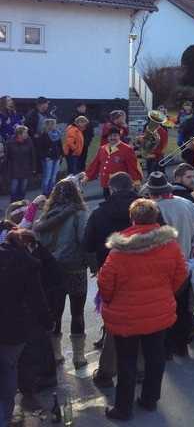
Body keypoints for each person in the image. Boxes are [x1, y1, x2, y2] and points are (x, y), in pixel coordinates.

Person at [98, 199, 187, 421]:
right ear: (155, 218)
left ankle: (123, 408)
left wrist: (109, 301)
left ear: (133, 219)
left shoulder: (120, 250)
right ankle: (150, 399)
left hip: (125, 314)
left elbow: (105, 281)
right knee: (155, 356)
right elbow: (181, 274)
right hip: (158, 311)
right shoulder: (170, 244)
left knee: (126, 361)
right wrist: (166, 293)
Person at [82, 172, 149, 389]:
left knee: (115, 324)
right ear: (132, 187)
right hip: (143, 271)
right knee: (140, 319)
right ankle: (140, 368)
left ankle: (107, 372)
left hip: (111, 272)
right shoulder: (146, 210)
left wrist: (97, 266)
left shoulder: (99, 213)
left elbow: (87, 245)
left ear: (111, 189)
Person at [145, 172, 194, 358]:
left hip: (161, 267)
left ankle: (167, 348)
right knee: (182, 307)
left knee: (164, 309)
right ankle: (182, 345)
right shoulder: (185, 203)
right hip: (185, 263)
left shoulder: (150, 209)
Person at [32, 178, 90, 369]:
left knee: (55, 312)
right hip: (75, 268)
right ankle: (79, 356)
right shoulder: (79, 214)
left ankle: (56, 353)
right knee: (77, 312)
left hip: (52, 271)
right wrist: (94, 265)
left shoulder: (45, 216)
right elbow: (85, 241)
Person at [0, 228, 55, 427]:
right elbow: (37, 298)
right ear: (27, 246)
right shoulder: (29, 264)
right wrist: (49, 323)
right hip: (14, 329)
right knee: (8, 369)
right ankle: (6, 415)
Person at [84, 126, 143, 199]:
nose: (112, 138)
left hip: (120, 186)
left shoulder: (127, 149)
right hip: (106, 184)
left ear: (119, 136)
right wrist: (87, 177)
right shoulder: (102, 149)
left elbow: (133, 166)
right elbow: (95, 165)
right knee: (108, 206)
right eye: (110, 136)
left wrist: (136, 182)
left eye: (115, 135)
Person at [4, 124, 37, 203]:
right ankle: (13, 204)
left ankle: (21, 203)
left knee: (23, 187)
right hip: (14, 169)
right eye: (25, 133)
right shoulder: (9, 143)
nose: (27, 134)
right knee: (13, 188)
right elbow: (6, 157)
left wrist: (33, 168)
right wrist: (5, 169)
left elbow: (33, 155)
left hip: (25, 168)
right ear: (19, 134)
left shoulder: (29, 141)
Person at [34, 118, 62, 197]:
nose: (55, 126)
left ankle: (51, 192)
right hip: (48, 158)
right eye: (53, 124)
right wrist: (45, 156)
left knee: (53, 176)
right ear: (48, 126)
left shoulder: (57, 134)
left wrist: (61, 154)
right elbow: (39, 148)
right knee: (47, 176)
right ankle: (45, 193)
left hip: (56, 157)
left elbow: (59, 145)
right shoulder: (43, 136)